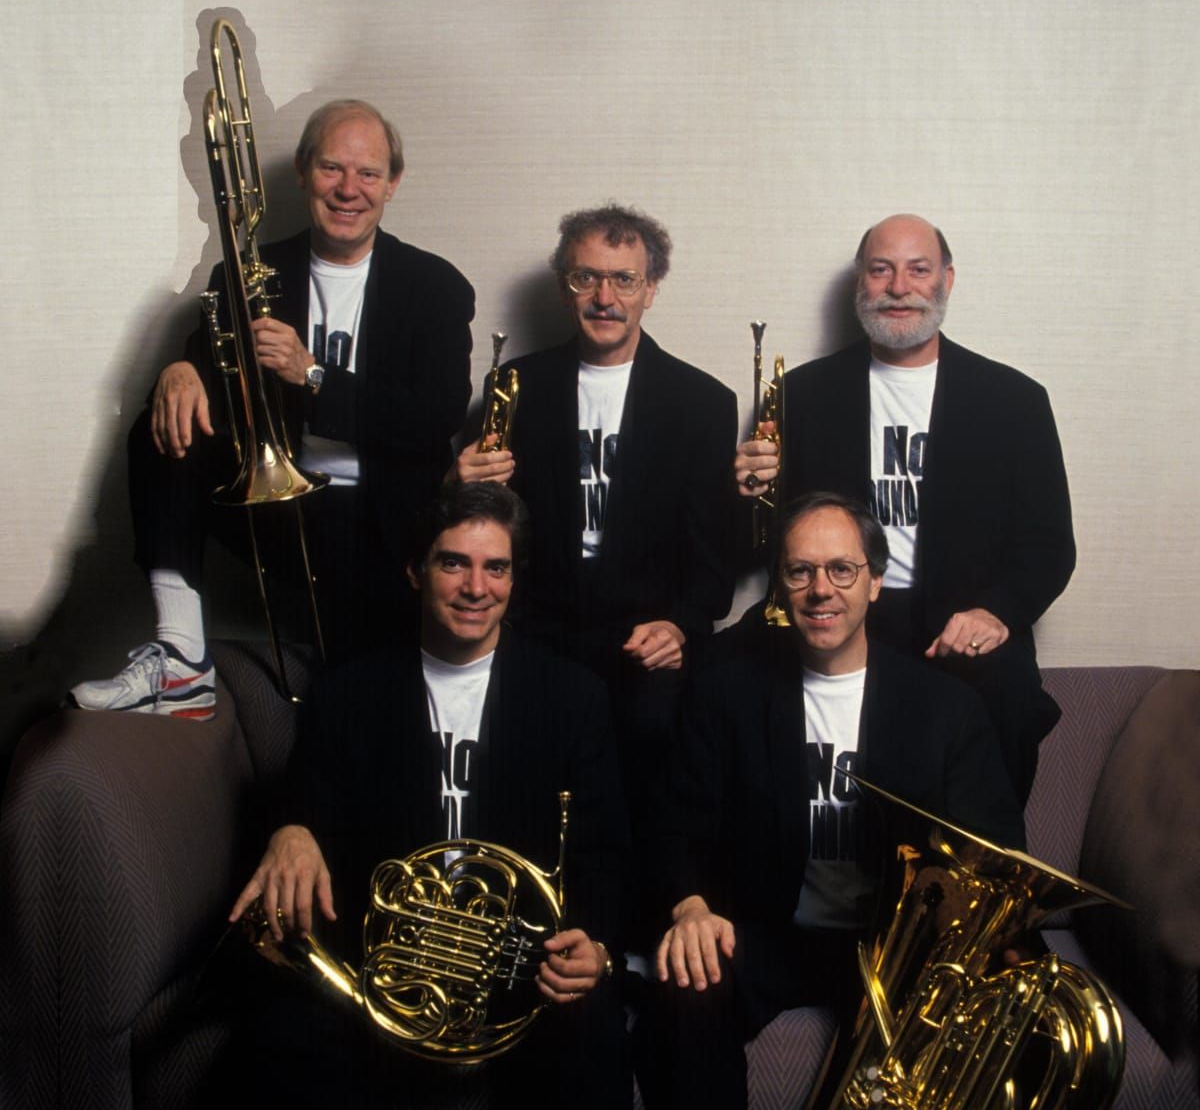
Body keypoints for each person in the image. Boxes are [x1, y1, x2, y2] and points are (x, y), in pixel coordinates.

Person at [228, 482, 631, 1106]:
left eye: (495, 567)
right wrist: (292, 830)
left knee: (592, 1049)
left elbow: (605, 854)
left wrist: (597, 947)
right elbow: (308, 795)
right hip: (384, 970)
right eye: (454, 563)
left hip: (518, 970)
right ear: (416, 572)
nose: (477, 588)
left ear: (514, 579)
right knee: (278, 1046)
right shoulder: (349, 692)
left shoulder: (573, 698)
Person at [71, 99, 475, 715]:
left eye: (368, 174)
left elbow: (434, 418)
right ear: (302, 173)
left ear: (392, 184)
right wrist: (180, 370)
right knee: (164, 419)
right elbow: (208, 365)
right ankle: (180, 658)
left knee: (358, 705)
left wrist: (311, 374)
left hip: (382, 526)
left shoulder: (437, 287)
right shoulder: (247, 273)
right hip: (280, 513)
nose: (348, 190)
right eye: (331, 169)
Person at [634, 491, 1024, 1109]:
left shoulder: (945, 708)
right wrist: (689, 908)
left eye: (842, 570)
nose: (822, 589)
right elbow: (674, 824)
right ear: (781, 587)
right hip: (766, 930)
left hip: (893, 947)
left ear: (875, 582)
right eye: (800, 571)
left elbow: (999, 853)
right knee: (680, 994)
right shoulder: (725, 694)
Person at [733, 214, 1074, 802]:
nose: (899, 287)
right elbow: (762, 541)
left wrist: (996, 613)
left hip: (961, 622)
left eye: (918, 270)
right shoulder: (803, 395)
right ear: (860, 284)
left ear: (947, 279)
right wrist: (744, 493)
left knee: (1010, 703)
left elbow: (1049, 547)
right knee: (728, 679)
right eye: (881, 270)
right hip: (843, 613)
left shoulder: (1014, 401)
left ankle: (984, 884)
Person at [453, 203, 738, 838]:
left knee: (653, 744)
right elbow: (476, 533)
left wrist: (681, 625)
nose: (604, 297)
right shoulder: (514, 386)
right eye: (586, 278)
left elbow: (714, 560)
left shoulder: (703, 403)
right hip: (534, 633)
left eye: (624, 280)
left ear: (651, 289)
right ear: (564, 286)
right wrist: (458, 484)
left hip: (643, 640)